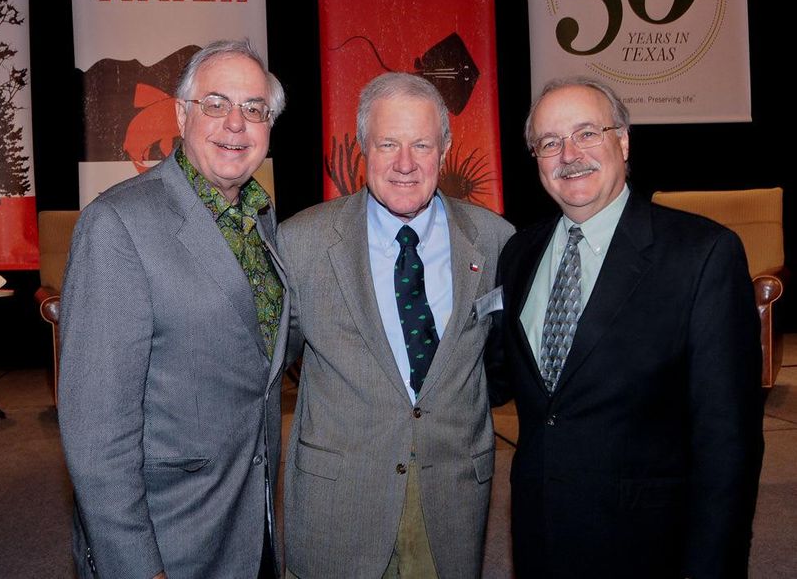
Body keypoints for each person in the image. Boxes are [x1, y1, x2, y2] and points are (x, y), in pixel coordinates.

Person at [491, 77, 764, 579]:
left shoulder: (701, 255)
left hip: (649, 548)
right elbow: (502, 379)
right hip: (540, 539)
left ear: (623, 141)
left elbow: (728, 442)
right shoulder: (518, 254)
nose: (568, 154)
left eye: (587, 133)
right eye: (549, 142)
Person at [57, 39, 288, 579]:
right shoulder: (117, 225)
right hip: (168, 538)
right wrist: (137, 567)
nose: (236, 123)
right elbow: (96, 432)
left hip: (250, 519)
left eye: (254, 109)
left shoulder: (259, 217)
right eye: (216, 104)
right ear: (182, 114)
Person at [279, 72, 514, 578]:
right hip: (339, 503)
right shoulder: (302, 243)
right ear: (363, 146)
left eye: (421, 144)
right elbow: (266, 369)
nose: (405, 163)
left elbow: (501, 363)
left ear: (445, 149)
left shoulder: (496, 241)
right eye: (388, 143)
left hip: (451, 502)